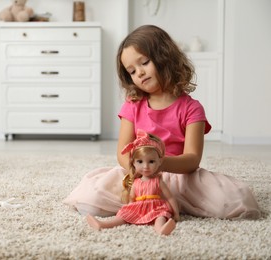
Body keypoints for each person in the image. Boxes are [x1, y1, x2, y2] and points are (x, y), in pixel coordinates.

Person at [64, 24, 261, 220]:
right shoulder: (133, 105)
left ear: (165, 57)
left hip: (181, 177)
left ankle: (170, 201)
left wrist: (160, 164)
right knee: (91, 196)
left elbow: (192, 159)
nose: (139, 73)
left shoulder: (192, 108)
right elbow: (122, 151)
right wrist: (139, 170)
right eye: (132, 71)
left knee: (234, 201)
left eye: (144, 62)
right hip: (140, 175)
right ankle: (156, 202)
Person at [87, 130, 180, 235]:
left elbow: (170, 197)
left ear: (159, 161)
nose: (146, 166)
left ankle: (160, 229)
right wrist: (129, 209)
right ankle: (104, 225)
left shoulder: (158, 181)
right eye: (140, 162)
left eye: (151, 161)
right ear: (133, 163)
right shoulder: (136, 182)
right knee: (123, 216)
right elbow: (132, 199)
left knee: (160, 216)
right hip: (138, 207)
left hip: (156, 207)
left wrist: (176, 213)